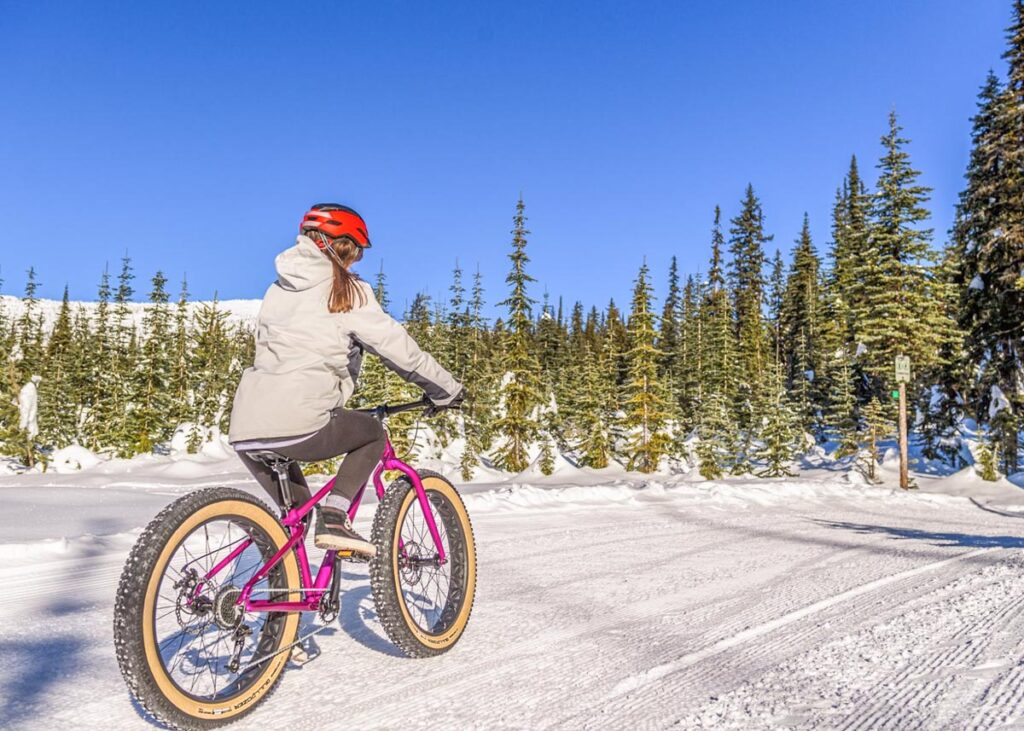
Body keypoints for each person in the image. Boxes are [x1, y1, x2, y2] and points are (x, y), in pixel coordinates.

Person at [228, 204, 463, 556]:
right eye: (355, 253)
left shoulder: (278, 289)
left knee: (294, 522)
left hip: (246, 427)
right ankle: (336, 516)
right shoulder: (348, 290)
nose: (355, 262)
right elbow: (399, 349)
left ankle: (284, 604)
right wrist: (446, 389)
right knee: (372, 434)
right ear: (343, 247)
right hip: (300, 420)